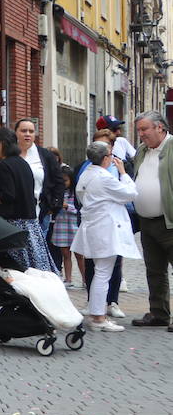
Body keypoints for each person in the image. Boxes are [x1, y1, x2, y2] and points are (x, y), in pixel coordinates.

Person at [71, 140, 140, 332]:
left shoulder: (85, 174)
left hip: (93, 227)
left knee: (99, 273)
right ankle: (98, 318)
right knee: (103, 273)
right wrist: (125, 174)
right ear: (106, 158)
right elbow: (130, 194)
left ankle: (97, 313)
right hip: (106, 229)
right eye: (110, 154)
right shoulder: (105, 178)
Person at [0, 126, 58, 274]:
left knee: (16, 274)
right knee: (35, 272)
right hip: (30, 226)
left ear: (2, 143)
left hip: (13, 228)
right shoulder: (22, 163)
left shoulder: (3, 165)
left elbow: (7, 196)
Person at [130, 111, 173, 330]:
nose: (141, 134)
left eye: (144, 129)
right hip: (147, 222)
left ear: (160, 128)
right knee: (154, 271)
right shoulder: (142, 151)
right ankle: (159, 314)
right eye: (139, 130)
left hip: (170, 222)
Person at [15, 118, 64, 238]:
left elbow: (58, 181)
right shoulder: (6, 154)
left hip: (40, 213)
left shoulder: (45, 155)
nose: (27, 134)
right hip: (13, 215)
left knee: (38, 253)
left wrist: (53, 206)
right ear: (15, 132)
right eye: (23, 131)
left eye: (31, 131)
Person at [50, 165, 81, 288]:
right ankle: (68, 279)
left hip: (73, 225)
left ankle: (85, 279)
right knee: (65, 253)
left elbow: (79, 209)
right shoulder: (58, 192)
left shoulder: (75, 193)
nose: (64, 184)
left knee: (79, 254)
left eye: (66, 181)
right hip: (61, 224)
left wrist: (67, 206)